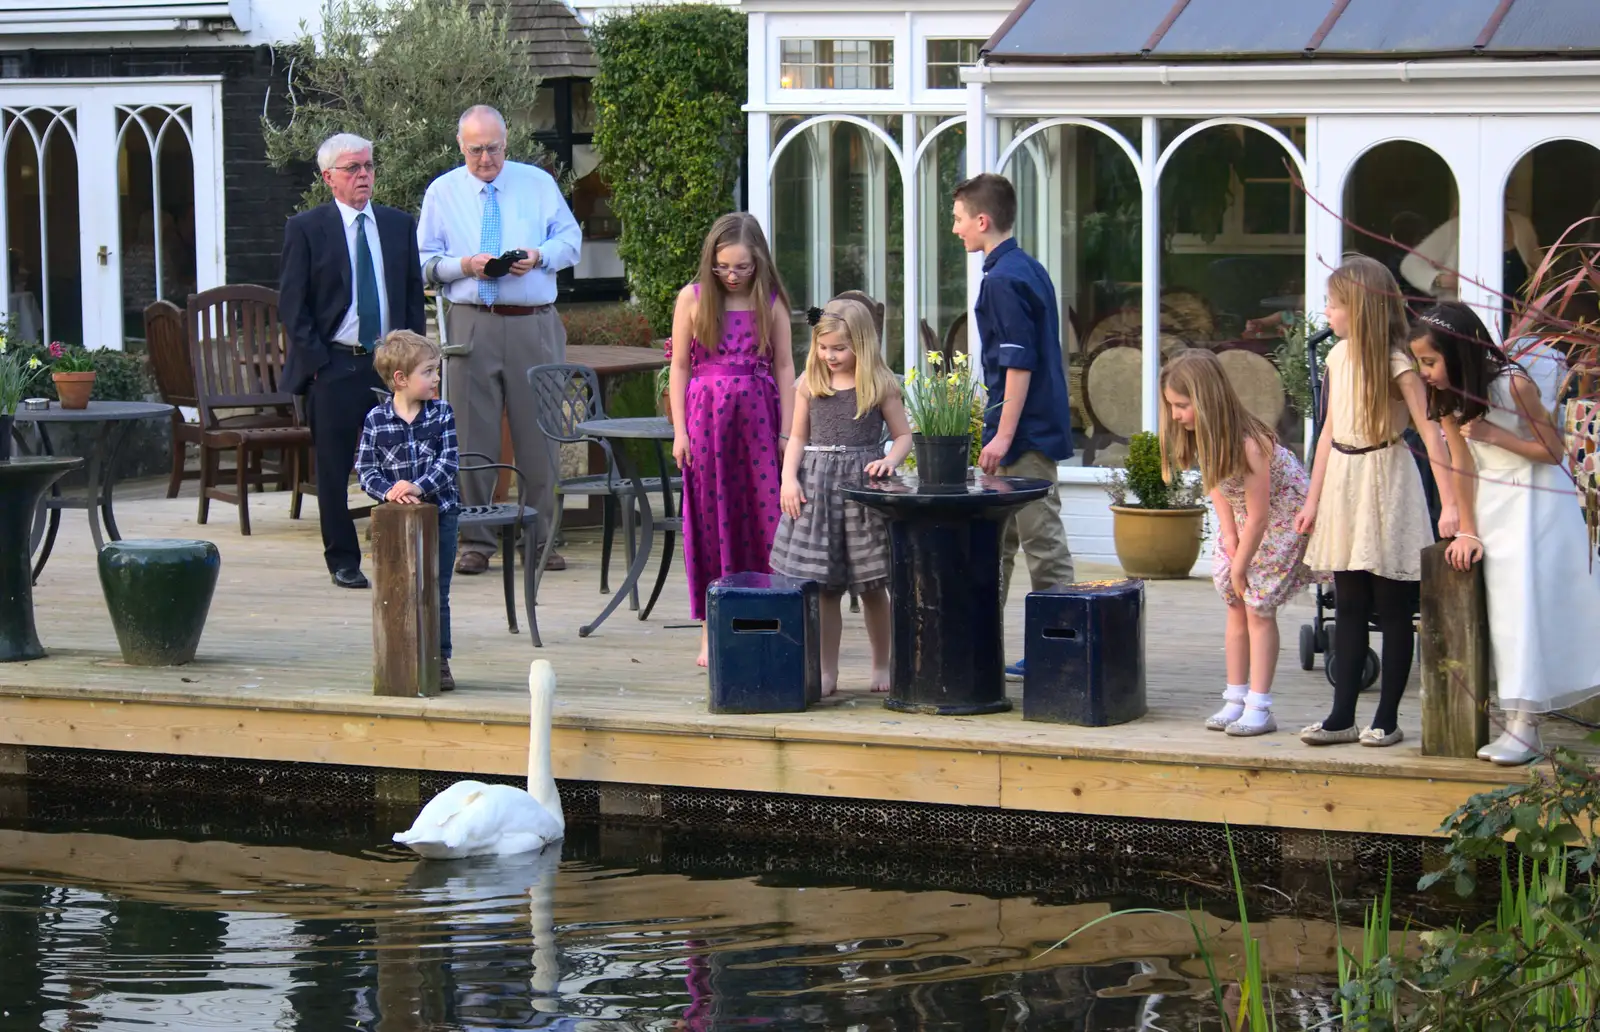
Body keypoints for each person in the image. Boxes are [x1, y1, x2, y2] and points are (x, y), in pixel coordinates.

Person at [1408, 301, 1600, 765]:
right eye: (1419, 363)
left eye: (1430, 361)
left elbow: (1553, 450)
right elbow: (1461, 460)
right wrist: (1468, 530)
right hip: (1494, 506)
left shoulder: (1514, 384)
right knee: (1503, 614)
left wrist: (1497, 437)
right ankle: (1517, 720)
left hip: (1536, 503)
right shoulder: (1451, 393)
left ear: (1457, 353)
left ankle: (1524, 725)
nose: (1425, 372)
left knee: (1527, 610)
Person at [1294, 255, 1457, 747]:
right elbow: (1326, 434)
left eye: (1334, 304)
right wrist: (1312, 499)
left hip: (1386, 478)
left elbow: (1432, 435)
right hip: (1344, 479)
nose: (1327, 312)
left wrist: (1450, 505)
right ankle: (1341, 716)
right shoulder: (1336, 358)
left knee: (1390, 605)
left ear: (1359, 308)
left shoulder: (1398, 363)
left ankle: (1386, 718)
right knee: (1347, 600)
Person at [418, 105, 582, 577]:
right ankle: (475, 538)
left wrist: (540, 255)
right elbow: (426, 262)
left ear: (506, 145)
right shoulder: (442, 191)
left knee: (540, 435)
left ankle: (541, 539)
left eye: (493, 149)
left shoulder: (536, 183)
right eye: (475, 150)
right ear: (460, 146)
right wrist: (465, 265)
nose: (485, 159)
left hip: (533, 320)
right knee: (471, 435)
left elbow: (571, 240)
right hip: (472, 319)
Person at [280, 132, 427, 589]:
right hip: (336, 364)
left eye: (368, 166)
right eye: (352, 169)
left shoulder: (398, 225)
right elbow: (292, 305)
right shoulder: (307, 228)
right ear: (329, 178)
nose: (363, 175)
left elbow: (410, 298)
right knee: (334, 465)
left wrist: (416, 360)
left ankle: (404, 550)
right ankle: (342, 559)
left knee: (406, 459)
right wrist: (320, 363)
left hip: (391, 363)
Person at [952, 172, 1076, 680]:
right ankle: (981, 645)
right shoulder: (1026, 267)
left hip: (1022, 436)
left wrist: (1001, 435)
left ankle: (1062, 651)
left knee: (1041, 543)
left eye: (959, 219)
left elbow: (1019, 364)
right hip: (1020, 430)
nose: (956, 228)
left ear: (982, 221)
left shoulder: (1002, 279)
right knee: (997, 543)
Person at [1160, 349, 1318, 737]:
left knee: (1258, 607)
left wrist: (1242, 564)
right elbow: (1217, 487)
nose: (1177, 415)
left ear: (1206, 399)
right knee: (1234, 602)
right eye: (1172, 406)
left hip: (1279, 519)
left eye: (1182, 405)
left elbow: (1262, 514)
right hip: (1244, 520)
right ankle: (1235, 698)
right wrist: (1228, 536)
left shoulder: (1250, 443)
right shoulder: (1202, 435)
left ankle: (1260, 707)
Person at [668, 212, 796, 668]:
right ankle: (710, 631)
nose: (733, 275)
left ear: (759, 261)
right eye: (723, 266)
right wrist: (680, 431)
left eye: (742, 267)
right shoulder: (693, 298)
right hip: (706, 424)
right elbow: (679, 367)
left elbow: (785, 366)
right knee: (708, 524)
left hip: (759, 423)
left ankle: (769, 622)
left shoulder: (772, 301)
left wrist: (787, 432)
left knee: (765, 522)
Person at [770, 295, 913, 696]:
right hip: (816, 488)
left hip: (863, 489)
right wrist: (788, 479)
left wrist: (889, 459)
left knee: (872, 585)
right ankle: (827, 669)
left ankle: (882, 663)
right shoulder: (808, 384)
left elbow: (903, 436)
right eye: (823, 347)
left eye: (839, 348)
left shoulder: (879, 385)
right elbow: (797, 437)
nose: (829, 355)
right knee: (825, 586)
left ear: (862, 345)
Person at [356, 331, 461, 691]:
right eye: (429, 371)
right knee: (398, 590)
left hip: (441, 516)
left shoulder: (442, 413)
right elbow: (366, 470)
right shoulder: (375, 420)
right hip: (396, 525)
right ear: (401, 379)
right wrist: (390, 492)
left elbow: (449, 463)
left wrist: (419, 486)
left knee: (436, 589)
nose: (436, 378)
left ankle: (440, 658)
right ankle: (398, 656)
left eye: (436, 370)